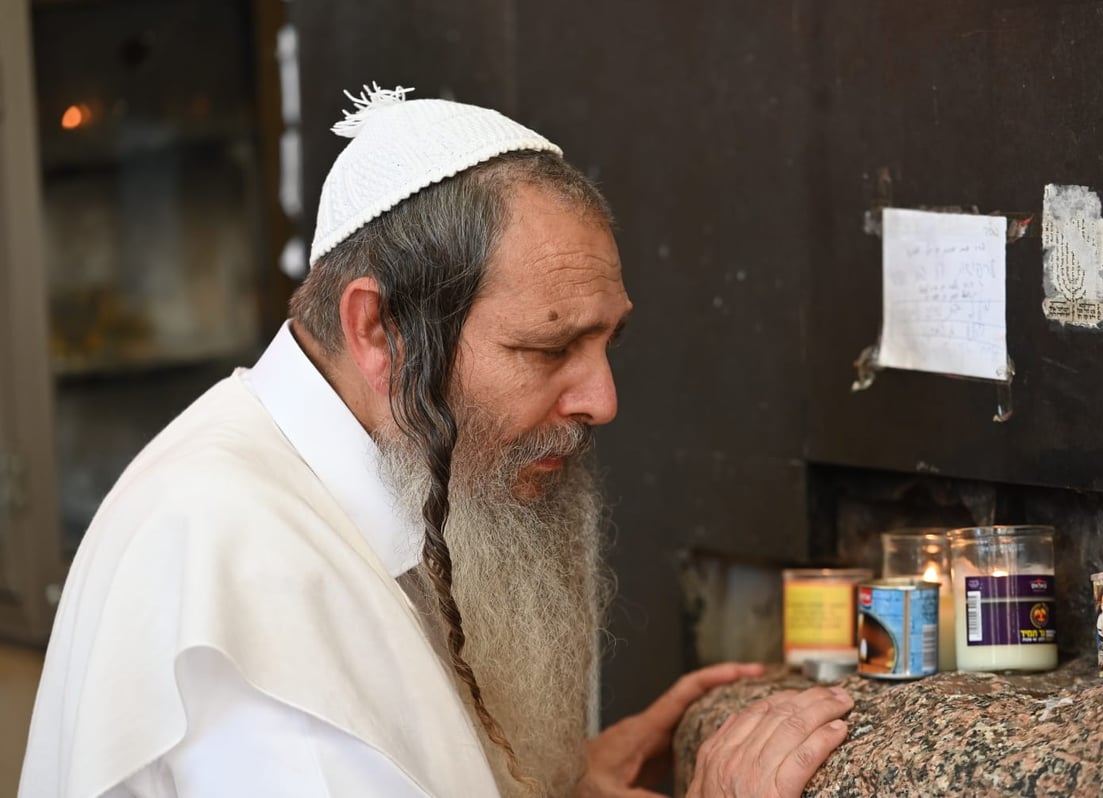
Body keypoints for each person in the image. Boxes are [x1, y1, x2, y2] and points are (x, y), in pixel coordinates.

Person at [20, 84, 853, 798]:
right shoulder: (239, 563)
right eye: (547, 348)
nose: (601, 400)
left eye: (608, 344)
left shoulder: (354, 475)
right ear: (379, 328)